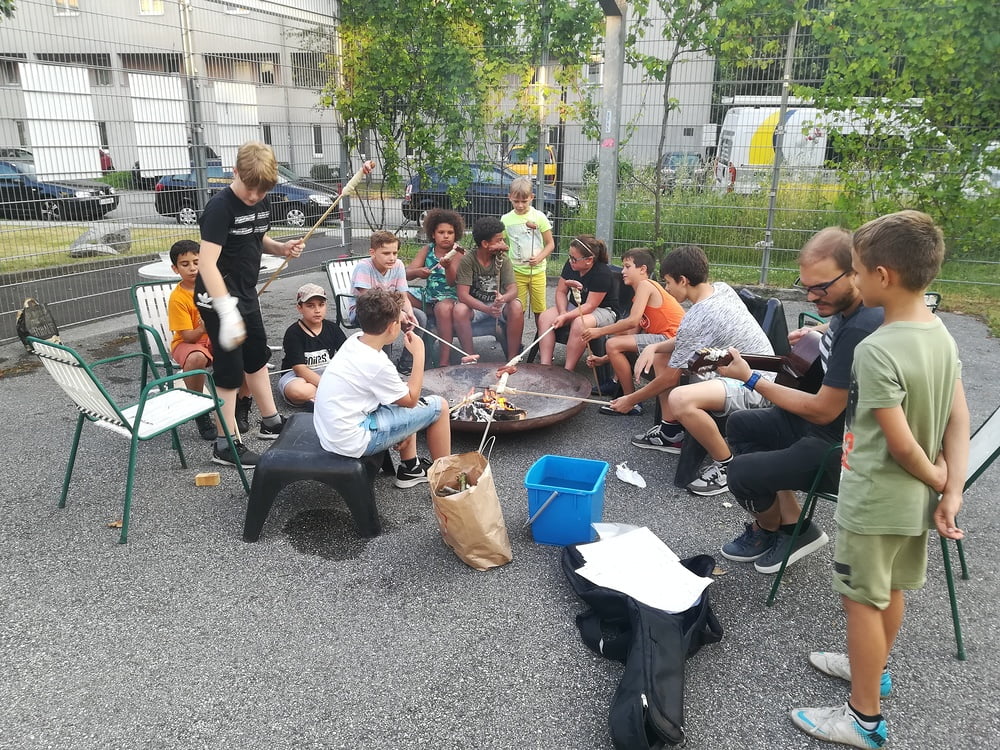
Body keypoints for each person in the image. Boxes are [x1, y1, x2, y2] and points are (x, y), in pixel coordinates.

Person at [791, 210, 968, 748]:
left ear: (883, 276)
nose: (856, 280)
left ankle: (863, 718)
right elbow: (958, 416)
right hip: (913, 502)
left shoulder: (876, 349)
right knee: (888, 590)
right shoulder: (939, 333)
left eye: (859, 271)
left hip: (873, 499)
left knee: (861, 601)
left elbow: (900, 443)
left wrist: (935, 473)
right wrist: (949, 488)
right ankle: (873, 667)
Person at [714, 227, 884, 575]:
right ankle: (793, 527)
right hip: (829, 430)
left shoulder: (861, 328)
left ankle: (775, 529)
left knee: (741, 473)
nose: (810, 296)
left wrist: (751, 378)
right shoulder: (852, 309)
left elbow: (822, 410)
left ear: (855, 272)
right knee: (741, 424)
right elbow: (841, 329)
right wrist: (817, 330)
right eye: (805, 286)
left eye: (820, 287)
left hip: (846, 451)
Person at [626, 246, 775, 497]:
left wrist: (629, 400)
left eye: (668, 282)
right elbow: (686, 339)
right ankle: (670, 431)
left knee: (680, 398)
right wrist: (654, 347)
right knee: (664, 357)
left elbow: (671, 378)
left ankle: (727, 466)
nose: (667, 289)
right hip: (748, 369)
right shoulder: (721, 289)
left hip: (754, 383)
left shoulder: (699, 314)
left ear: (683, 280)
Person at [195, 141, 303, 468]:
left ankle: (271, 421)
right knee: (229, 371)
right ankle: (225, 444)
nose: (255, 196)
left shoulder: (261, 199)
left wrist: (281, 248)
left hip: (245, 293)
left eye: (262, 190)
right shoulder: (220, 208)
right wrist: (226, 309)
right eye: (250, 187)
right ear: (235, 172)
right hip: (216, 298)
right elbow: (207, 264)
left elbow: (257, 236)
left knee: (256, 358)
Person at [313, 288, 451, 489]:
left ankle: (410, 469)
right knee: (440, 406)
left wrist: (397, 314)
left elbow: (399, 395)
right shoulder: (377, 364)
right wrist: (419, 354)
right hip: (353, 439)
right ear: (393, 327)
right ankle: (448, 480)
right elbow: (411, 400)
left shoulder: (355, 340)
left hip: (332, 432)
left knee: (399, 391)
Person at [583, 248, 684, 416]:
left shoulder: (646, 285)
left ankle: (631, 402)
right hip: (663, 339)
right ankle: (620, 389)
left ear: (642, 269)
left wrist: (599, 331)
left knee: (613, 341)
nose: (622, 271)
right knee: (618, 338)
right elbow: (630, 335)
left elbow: (632, 321)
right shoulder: (638, 295)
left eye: (627, 266)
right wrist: (603, 359)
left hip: (670, 339)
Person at [536, 234, 620, 371]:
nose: (570, 261)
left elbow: (590, 305)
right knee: (545, 317)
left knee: (580, 323)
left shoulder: (602, 273)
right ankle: (545, 367)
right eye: (569, 256)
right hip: (575, 305)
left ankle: (568, 371)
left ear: (589, 260)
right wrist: (563, 312)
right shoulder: (571, 265)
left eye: (574, 259)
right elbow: (561, 291)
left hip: (603, 310)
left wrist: (566, 316)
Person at [350, 229, 426, 374]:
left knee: (419, 317)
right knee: (385, 320)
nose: (392, 258)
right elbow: (369, 301)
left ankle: (406, 364)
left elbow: (403, 296)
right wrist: (396, 313)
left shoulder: (398, 265)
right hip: (364, 311)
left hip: (389, 309)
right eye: (386, 253)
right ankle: (385, 367)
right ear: (373, 252)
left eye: (395, 253)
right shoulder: (364, 267)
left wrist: (409, 312)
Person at [166, 240, 218, 441]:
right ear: (175, 268)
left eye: (196, 262)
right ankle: (200, 410)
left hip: (213, 338)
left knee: (244, 346)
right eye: (185, 264)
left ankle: (239, 405)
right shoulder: (178, 298)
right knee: (197, 357)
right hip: (188, 344)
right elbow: (187, 336)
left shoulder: (212, 285)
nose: (193, 268)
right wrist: (204, 326)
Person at [454, 216, 525, 360]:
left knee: (516, 306)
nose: (503, 244)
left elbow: (513, 290)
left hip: (499, 305)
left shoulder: (503, 259)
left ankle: (513, 359)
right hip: (476, 307)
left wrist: (503, 298)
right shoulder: (468, 260)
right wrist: (487, 309)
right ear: (485, 243)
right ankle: (470, 358)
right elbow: (463, 295)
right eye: (499, 240)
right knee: (459, 310)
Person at [405, 209, 466, 366]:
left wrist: (448, 267)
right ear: (433, 234)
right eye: (441, 232)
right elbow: (407, 274)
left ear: (456, 234)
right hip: (429, 295)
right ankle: (408, 352)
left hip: (451, 297)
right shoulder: (428, 250)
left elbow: (453, 283)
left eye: (450, 233)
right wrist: (418, 272)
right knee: (399, 296)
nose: (446, 236)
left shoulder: (459, 253)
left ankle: (444, 360)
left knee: (442, 308)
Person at [278, 283, 346, 407]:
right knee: (296, 391)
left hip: (326, 371)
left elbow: (347, 356)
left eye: (321, 305)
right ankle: (332, 395)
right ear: (299, 308)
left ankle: (319, 398)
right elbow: (300, 369)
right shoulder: (293, 332)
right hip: (298, 376)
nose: (317, 310)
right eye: (310, 306)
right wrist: (328, 386)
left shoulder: (332, 328)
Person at [502, 176, 554, 336]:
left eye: (524, 201)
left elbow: (550, 244)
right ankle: (516, 342)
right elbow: (502, 243)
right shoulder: (506, 219)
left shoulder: (539, 217)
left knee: (540, 310)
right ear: (509, 197)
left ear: (532, 197)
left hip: (537, 271)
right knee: (518, 309)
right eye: (516, 201)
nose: (520, 205)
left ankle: (542, 341)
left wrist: (539, 258)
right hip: (516, 271)